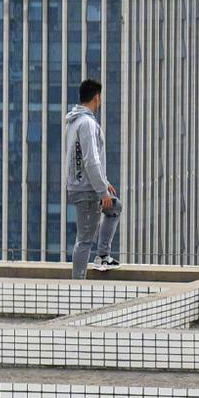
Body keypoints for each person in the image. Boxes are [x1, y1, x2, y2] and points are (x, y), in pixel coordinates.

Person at [63, 78, 120, 278]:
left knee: (115, 207)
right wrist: (101, 190)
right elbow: (90, 160)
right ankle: (78, 283)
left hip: (82, 186)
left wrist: (104, 183)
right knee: (85, 238)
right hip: (86, 190)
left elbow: (83, 158)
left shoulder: (74, 121)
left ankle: (103, 256)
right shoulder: (86, 123)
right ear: (96, 97)